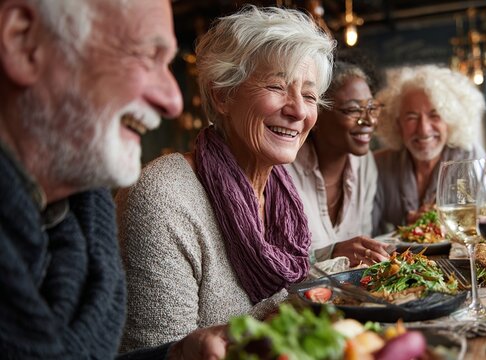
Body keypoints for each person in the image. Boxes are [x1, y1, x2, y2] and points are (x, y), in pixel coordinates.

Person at [0, 0, 228, 359]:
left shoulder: (78, 217)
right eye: (146, 56)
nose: (173, 101)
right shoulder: (157, 193)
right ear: (24, 42)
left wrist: (175, 356)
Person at [115, 6, 335, 352]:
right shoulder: (164, 196)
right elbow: (161, 354)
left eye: (309, 95)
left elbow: (292, 284)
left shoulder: (282, 191)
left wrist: (336, 259)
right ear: (222, 95)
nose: (298, 110)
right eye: (277, 86)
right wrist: (295, 305)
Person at [286, 60, 390, 267]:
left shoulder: (364, 163)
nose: (368, 121)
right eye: (353, 110)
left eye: (371, 108)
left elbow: (362, 255)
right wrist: (329, 254)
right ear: (316, 114)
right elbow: (275, 266)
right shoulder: (284, 170)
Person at [372, 65, 486, 235]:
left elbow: (484, 222)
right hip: (404, 259)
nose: (424, 129)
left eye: (435, 115)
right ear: (397, 123)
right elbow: (370, 233)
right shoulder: (379, 165)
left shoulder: (469, 157)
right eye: (411, 117)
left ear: (450, 120)